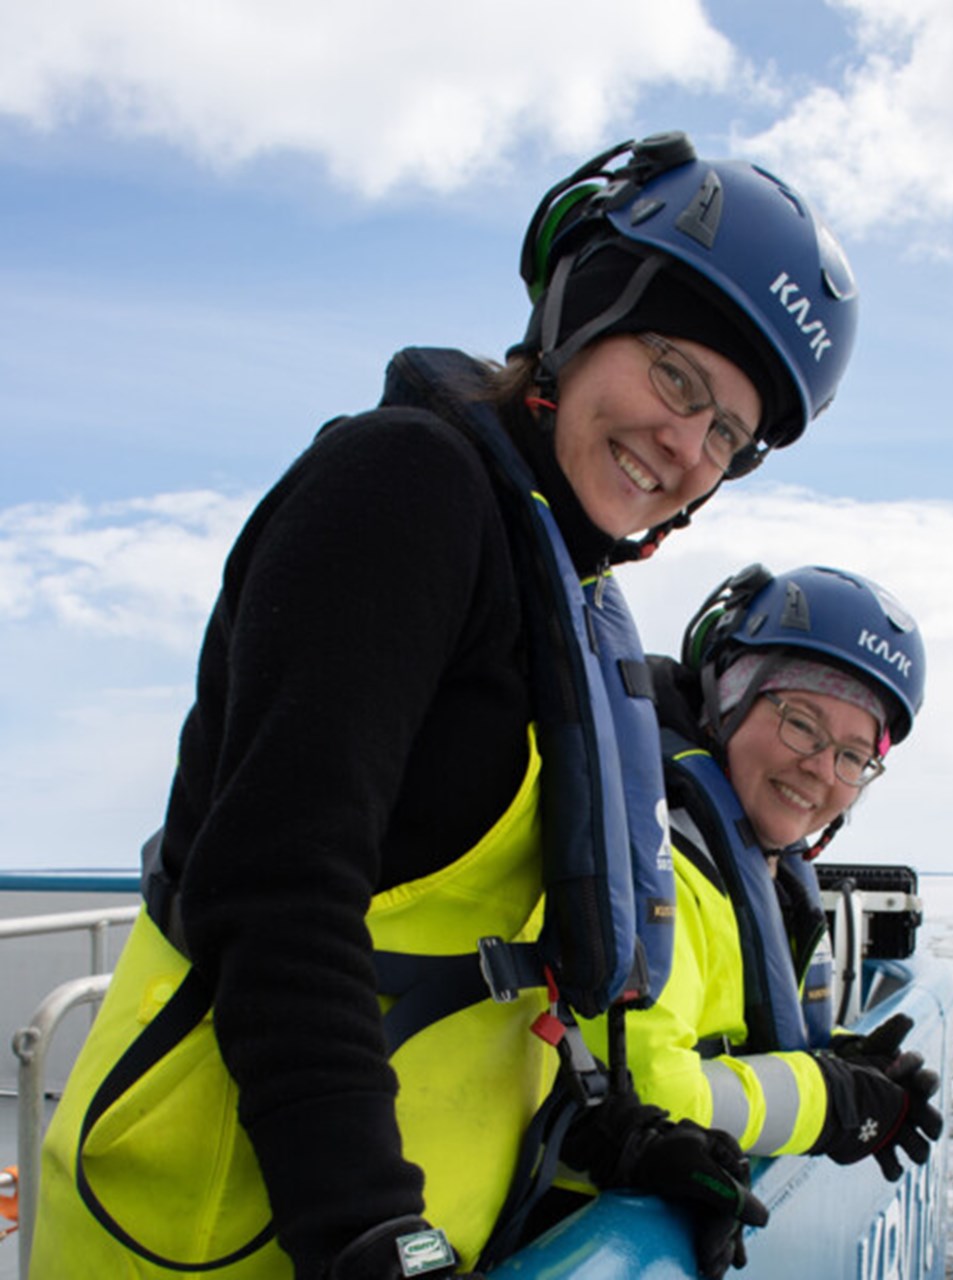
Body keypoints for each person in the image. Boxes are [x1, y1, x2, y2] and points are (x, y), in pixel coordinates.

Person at [28, 133, 859, 1280]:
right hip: (220, 1235)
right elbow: (276, 886)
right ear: (585, 312)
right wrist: (368, 1226)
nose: (683, 445)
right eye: (675, 376)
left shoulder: (559, 588)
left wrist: (610, 1139)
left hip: (408, 1225)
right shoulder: (403, 490)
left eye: (726, 431)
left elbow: (488, 970)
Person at [580, 563, 944, 1180]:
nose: (822, 771)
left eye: (853, 756)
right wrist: (830, 1099)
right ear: (729, 695)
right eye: (801, 723)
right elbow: (656, 1098)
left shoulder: (767, 878)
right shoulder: (645, 860)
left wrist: (837, 1062)